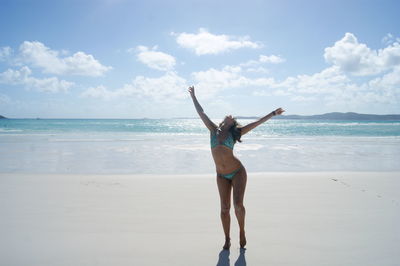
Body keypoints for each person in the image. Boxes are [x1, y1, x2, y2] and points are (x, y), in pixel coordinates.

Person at [188, 86, 285, 249]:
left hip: (237, 172)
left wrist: (273, 113)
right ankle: (227, 238)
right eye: (229, 116)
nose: (230, 115)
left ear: (233, 123)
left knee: (238, 205)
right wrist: (193, 96)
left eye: (233, 117)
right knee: (224, 209)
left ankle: (241, 231)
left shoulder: (236, 133)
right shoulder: (213, 130)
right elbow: (201, 113)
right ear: (224, 122)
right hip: (221, 176)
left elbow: (257, 123)